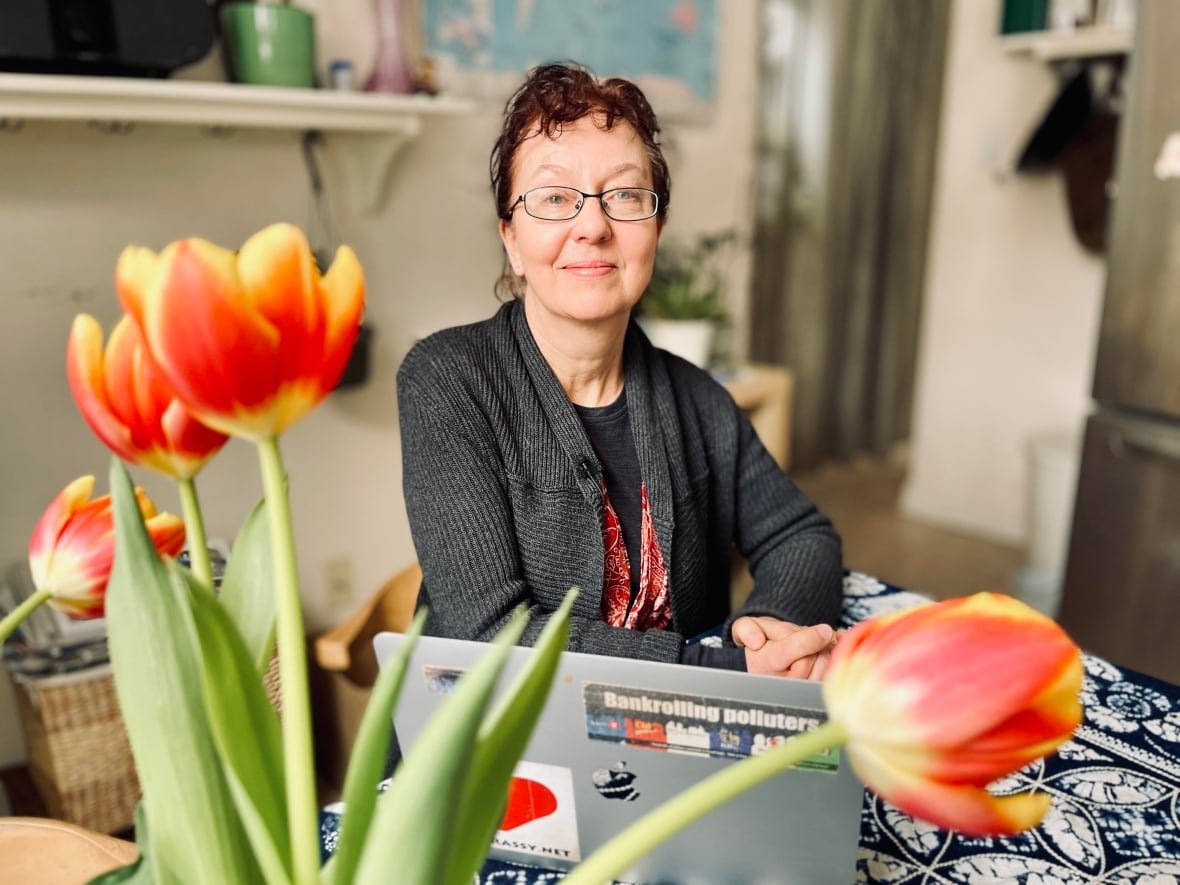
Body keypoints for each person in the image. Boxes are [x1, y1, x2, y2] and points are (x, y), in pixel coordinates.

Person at [397, 62, 843, 680]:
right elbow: (489, 632)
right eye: (554, 199)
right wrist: (711, 669)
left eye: (625, 197)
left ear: (655, 229)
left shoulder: (698, 399)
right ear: (512, 240)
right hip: (496, 749)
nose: (593, 227)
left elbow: (803, 535)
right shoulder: (447, 379)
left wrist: (768, 632)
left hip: (676, 742)